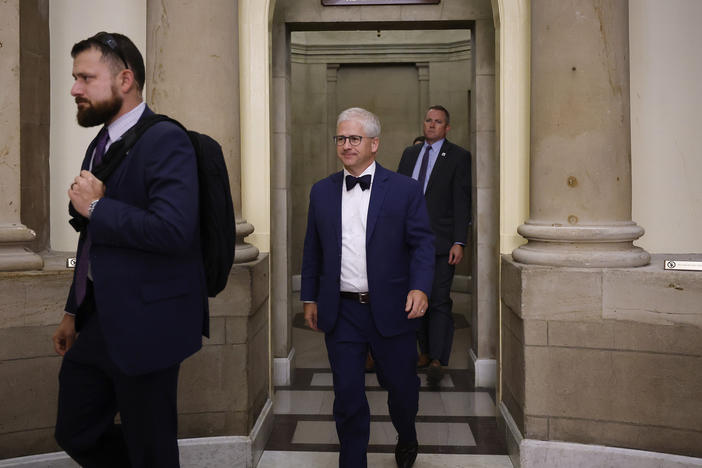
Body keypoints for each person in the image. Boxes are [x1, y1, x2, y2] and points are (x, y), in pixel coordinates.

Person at [51, 32, 208, 468]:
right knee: (74, 430)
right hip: (99, 319)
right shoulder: (100, 142)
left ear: (125, 79)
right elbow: (91, 240)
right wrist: (72, 310)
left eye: (86, 77)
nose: (74, 89)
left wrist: (98, 206)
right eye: (74, 78)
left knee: (151, 444)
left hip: (150, 324)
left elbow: (175, 231)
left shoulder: (165, 140)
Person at [301, 107, 435, 468]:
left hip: (392, 308)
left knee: (402, 390)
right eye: (341, 138)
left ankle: (406, 433)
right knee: (347, 394)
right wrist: (310, 296)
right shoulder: (321, 192)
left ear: (374, 144)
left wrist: (420, 287)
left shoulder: (405, 190)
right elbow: (312, 248)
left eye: (354, 138)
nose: (346, 145)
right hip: (342, 310)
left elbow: (423, 244)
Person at [397, 105, 471, 384]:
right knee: (414, 299)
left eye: (438, 122)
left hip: (441, 243)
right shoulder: (410, 153)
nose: (431, 125)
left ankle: (439, 358)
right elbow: (396, 194)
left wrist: (459, 241)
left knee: (439, 300)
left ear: (446, 128)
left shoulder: (459, 157)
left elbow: (462, 201)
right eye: (428, 120)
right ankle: (424, 353)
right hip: (408, 243)